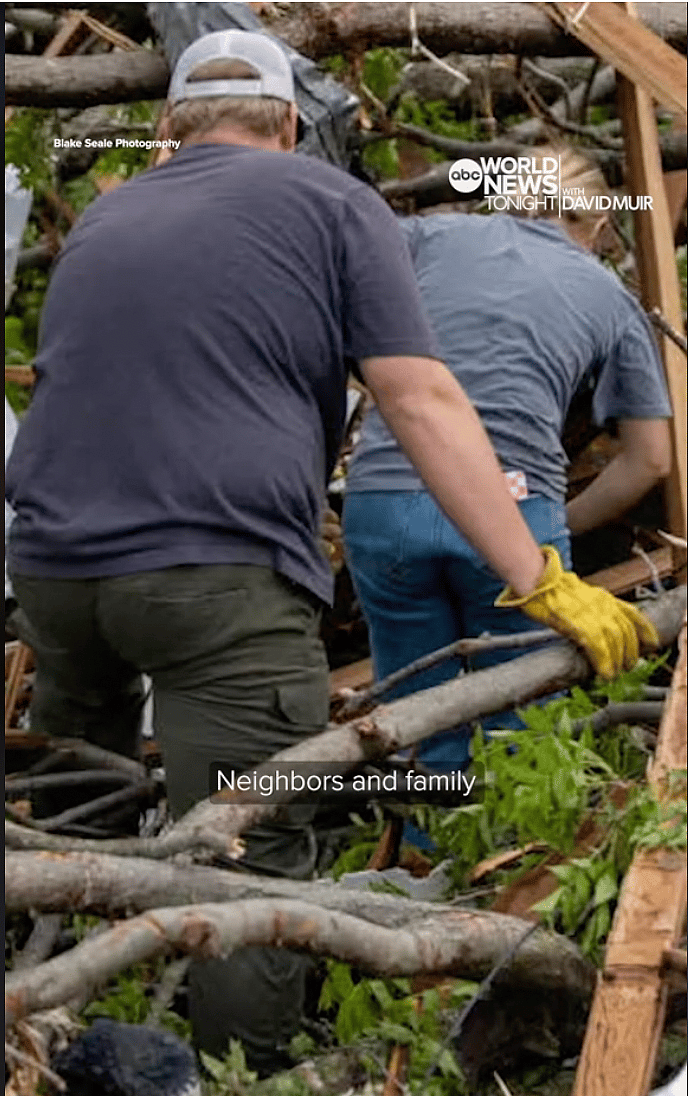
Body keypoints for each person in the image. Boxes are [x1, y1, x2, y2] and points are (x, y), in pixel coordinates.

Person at [6, 35, 658, 1073]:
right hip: (215, 571)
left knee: (82, 818)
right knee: (247, 839)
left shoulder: (104, 212)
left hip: (49, 566)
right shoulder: (333, 203)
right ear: (294, 127)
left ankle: (60, 1030)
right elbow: (419, 393)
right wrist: (542, 574)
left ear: (169, 127)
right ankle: (251, 1070)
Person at [343, 150, 671, 772]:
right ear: (600, 227)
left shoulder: (425, 237)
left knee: (417, 715)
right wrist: (554, 529)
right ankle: (509, 866)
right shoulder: (608, 292)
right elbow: (650, 460)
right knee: (522, 727)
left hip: (381, 502)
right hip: (517, 508)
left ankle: (420, 856)